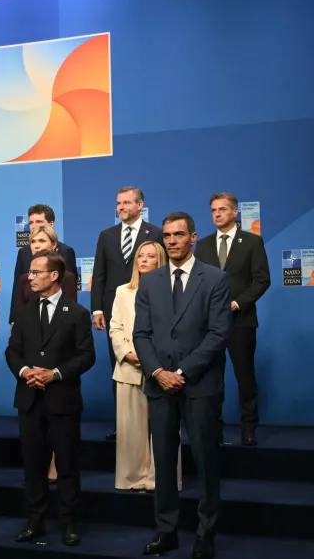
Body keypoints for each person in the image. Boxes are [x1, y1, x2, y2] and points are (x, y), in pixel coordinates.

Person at [134, 212, 230, 559]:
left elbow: (219, 334)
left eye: (179, 235)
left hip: (200, 384)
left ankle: (206, 533)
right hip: (159, 385)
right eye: (167, 236)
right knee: (163, 461)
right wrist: (158, 372)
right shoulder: (150, 281)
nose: (172, 241)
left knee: (205, 461)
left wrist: (183, 371)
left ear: (193, 237)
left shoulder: (215, 279)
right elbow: (140, 334)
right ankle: (167, 531)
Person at [6, 251, 95, 547]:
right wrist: (25, 371)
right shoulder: (24, 311)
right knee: (33, 464)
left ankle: (69, 524)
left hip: (63, 400)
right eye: (30, 272)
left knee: (67, 464)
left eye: (35, 272)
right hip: (29, 399)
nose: (29, 277)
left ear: (54, 275)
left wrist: (55, 374)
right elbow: (12, 351)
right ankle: (35, 522)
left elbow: (86, 356)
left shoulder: (77, 313)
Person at [195, 192, 270, 446]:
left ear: (235, 212)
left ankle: (248, 428)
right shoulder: (203, 245)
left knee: (245, 377)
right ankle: (214, 429)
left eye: (222, 209)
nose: (217, 214)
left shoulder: (251, 242)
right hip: (209, 325)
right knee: (212, 378)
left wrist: (238, 304)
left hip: (241, 322)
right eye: (213, 210)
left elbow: (262, 280)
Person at [90, 187, 163, 441]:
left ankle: (155, 422)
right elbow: (99, 272)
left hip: (151, 307)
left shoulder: (155, 233)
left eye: (126, 203)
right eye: (118, 203)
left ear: (139, 204)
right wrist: (97, 307)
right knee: (120, 365)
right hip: (116, 308)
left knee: (152, 366)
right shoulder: (106, 235)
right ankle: (123, 424)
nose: (120, 207)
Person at [109, 241, 182, 492]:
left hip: (162, 368)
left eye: (150, 256)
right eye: (140, 256)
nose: (143, 260)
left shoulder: (173, 291)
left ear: (160, 261)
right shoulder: (122, 291)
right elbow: (115, 327)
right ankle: (132, 477)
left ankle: (161, 479)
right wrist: (127, 353)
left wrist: (153, 358)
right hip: (129, 367)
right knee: (130, 430)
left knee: (165, 429)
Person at [11, 226, 78, 326]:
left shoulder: (68, 278)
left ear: (54, 244)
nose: (36, 246)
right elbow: (19, 307)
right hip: (30, 329)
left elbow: (71, 311)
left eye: (42, 241)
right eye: (33, 242)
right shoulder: (25, 279)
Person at [12, 204, 78, 279]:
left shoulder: (65, 251)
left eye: (39, 222)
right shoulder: (23, 253)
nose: (34, 226)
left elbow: (69, 285)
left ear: (51, 224)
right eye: (31, 223)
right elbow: (18, 287)